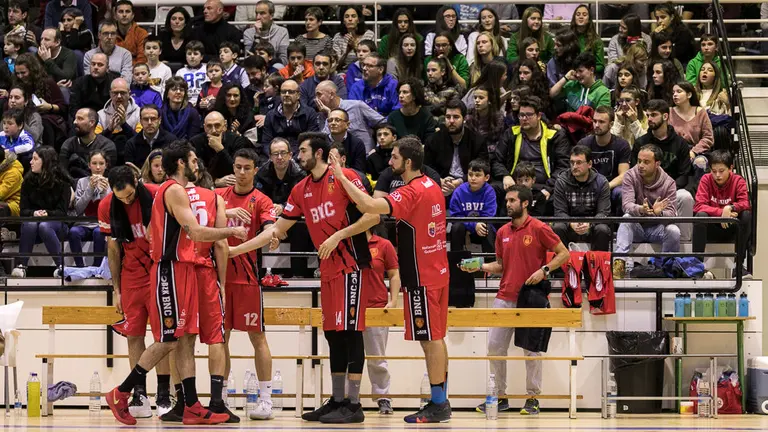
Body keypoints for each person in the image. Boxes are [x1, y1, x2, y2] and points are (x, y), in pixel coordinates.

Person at [230, 132, 380, 424]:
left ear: (320, 153)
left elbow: (373, 216)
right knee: (333, 334)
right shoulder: (300, 189)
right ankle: (337, 400)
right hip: (327, 271)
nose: (299, 155)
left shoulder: (345, 177)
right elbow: (277, 230)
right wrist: (237, 249)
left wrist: (338, 235)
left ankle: (354, 404)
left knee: (350, 333)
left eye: (303, 150)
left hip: (350, 266)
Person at [105, 140, 247, 426]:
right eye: (193, 160)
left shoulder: (166, 191)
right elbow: (194, 231)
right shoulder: (174, 190)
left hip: (179, 269)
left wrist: (225, 212)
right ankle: (121, 392)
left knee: (184, 338)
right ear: (181, 163)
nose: (197, 165)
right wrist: (231, 230)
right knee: (169, 339)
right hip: (169, 269)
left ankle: (192, 404)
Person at [329, 136, 451, 423]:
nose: (390, 161)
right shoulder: (431, 185)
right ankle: (440, 400)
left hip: (421, 275)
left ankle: (438, 404)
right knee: (437, 338)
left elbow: (369, 206)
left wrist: (340, 177)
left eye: (394, 157)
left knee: (430, 340)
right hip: (438, 271)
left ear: (408, 162)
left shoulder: (410, 192)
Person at [462, 184, 569, 415]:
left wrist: (545, 270)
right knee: (494, 347)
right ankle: (500, 397)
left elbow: (564, 253)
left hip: (531, 298)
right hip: (504, 297)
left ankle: (533, 398)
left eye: (512, 201)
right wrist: (480, 266)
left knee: (531, 351)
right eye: (507, 201)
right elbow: (501, 266)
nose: (508, 204)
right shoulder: (502, 232)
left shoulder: (540, 228)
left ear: (525, 203)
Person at [97, 165, 173, 419]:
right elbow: (113, 250)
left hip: (159, 271)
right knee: (134, 335)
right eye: (121, 198)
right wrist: (116, 288)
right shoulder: (107, 206)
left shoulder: (157, 195)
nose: (127, 201)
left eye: (130, 195)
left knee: (163, 335)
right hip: (131, 276)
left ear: (137, 181)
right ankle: (139, 393)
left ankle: (164, 393)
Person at [215, 148, 276, 420]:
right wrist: (228, 212)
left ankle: (265, 399)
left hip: (248, 279)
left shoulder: (261, 200)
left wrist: (236, 251)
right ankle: (221, 397)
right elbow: (199, 220)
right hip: (219, 279)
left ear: (255, 169)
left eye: (246, 168)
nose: (241, 173)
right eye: (237, 167)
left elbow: (270, 233)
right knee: (220, 339)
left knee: (258, 337)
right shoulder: (219, 198)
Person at [613, 144, 680, 279]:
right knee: (626, 218)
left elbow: (672, 213)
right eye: (639, 161)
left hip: (657, 229)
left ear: (657, 163)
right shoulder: (630, 176)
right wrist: (641, 209)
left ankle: (664, 268)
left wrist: (659, 213)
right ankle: (618, 267)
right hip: (637, 227)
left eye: (646, 162)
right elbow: (626, 205)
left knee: (674, 230)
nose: (641, 165)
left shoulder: (669, 183)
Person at [254, 137, 313, 278]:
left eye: (283, 153)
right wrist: (273, 213)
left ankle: (300, 273)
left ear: (290, 155)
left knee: (301, 227)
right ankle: (260, 275)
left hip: (294, 216)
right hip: (270, 216)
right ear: (270, 157)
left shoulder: (301, 173)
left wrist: (283, 207)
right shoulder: (262, 173)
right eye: (275, 154)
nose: (279, 157)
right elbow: (259, 199)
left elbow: (302, 201)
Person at [492, 96, 570, 200]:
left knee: (559, 195)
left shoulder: (555, 136)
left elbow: (563, 166)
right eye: (521, 115)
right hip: (515, 184)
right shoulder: (511, 134)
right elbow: (497, 160)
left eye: (529, 115)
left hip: (544, 185)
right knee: (492, 188)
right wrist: (505, 175)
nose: (524, 119)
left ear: (538, 116)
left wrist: (549, 187)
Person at [10, 146, 71, 278]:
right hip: (33, 229)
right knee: (31, 223)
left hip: (57, 227)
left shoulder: (62, 182)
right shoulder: (28, 181)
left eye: (35, 159)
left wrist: (47, 214)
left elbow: (62, 213)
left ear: (46, 162)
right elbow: (23, 211)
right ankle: (22, 266)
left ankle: (61, 267)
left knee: (44, 225)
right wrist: (34, 213)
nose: (31, 162)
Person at [693, 150, 752, 278]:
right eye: (714, 171)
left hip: (731, 228)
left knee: (746, 215)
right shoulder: (705, 179)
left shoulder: (738, 180)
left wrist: (730, 207)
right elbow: (698, 206)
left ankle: (738, 267)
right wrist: (722, 213)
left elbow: (745, 204)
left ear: (731, 168)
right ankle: (697, 267)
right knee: (700, 216)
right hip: (711, 229)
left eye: (721, 171)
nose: (717, 175)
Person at [361, 227, 399, 414]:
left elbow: (394, 274)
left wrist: (392, 301)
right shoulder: (344, 243)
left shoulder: (384, 245)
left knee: (377, 357)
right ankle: (345, 398)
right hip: (351, 308)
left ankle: (383, 396)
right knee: (347, 359)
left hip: (376, 307)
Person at [424, 99, 489, 197]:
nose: (451, 121)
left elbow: (482, 168)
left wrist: (460, 181)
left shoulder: (477, 141)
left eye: (456, 117)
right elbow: (427, 167)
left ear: (464, 118)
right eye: (448, 117)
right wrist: (440, 180)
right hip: (441, 183)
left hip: (468, 183)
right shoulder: (433, 140)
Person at [552, 145, 612, 251]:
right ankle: (561, 266)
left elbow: (603, 212)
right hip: (569, 226)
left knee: (602, 229)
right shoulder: (561, 181)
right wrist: (571, 223)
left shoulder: (601, 182)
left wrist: (589, 223)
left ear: (589, 164)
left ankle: (599, 266)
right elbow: (560, 212)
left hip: (592, 226)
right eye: (572, 162)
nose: (574, 166)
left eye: (579, 162)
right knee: (558, 227)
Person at [579, 106, 631, 213]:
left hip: (612, 187)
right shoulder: (584, 144)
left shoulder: (621, 145)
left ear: (611, 124)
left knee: (622, 192)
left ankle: (620, 228)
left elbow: (624, 175)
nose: (597, 125)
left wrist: (606, 186)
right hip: (589, 187)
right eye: (595, 121)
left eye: (601, 122)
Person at [315, 80, 385, 153]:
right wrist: (329, 114)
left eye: (319, 95)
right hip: (339, 158)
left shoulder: (356, 106)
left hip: (365, 155)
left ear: (332, 95)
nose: (316, 99)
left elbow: (383, 122)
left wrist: (377, 147)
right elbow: (324, 140)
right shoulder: (321, 115)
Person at [69, 149, 109, 268]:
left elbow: (109, 210)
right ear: (89, 165)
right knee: (73, 232)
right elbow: (78, 208)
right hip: (83, 224)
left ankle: (96, 268)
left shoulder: (110, 182)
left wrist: (104, 192)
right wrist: (90, 189)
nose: (97, 167)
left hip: (101, 224)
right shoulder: (82, 182)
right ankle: (80, 267)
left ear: (106, 165)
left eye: (101, 164)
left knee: (99, 233)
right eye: (94, 163)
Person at [448, 158, 497, 253]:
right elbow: (455, 216)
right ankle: (456, 263)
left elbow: (489, 215)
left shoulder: (490, 192)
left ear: (486, 178)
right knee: (456, 227)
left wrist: (478, 225)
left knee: (488, 228)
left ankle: (490, 263)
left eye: (477, 175)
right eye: (470, 175)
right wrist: (474, 225)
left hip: (482, 227)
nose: (473, 178)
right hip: (464, 226)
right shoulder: (459, 191)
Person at [190, 111, 252, 184]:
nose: (213, 130)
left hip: (233, 184)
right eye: (209, 126)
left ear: (225, 126)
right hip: (206, 186)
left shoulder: (237, 140)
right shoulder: (195, 142)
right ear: (204, 127)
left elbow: (237, 170)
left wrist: (220, 149)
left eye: (217, 125)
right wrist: (215, 181)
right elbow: (195, 172)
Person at [261, 80, 319, 155]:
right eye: (283, 92)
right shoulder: (271, 115)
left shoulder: (309, 113)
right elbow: (266, 142)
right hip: (276, 156)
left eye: (290, 92)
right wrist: (274, 156)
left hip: (301, 156)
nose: (286, 95)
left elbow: (311, 141)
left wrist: (293, 158)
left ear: (298, 95)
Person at [60, 108, 117, 179]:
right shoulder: (68, 144)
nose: (75, 122)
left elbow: (106, 176)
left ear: (92, 123)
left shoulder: (107, 146)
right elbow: (63, 173)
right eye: (75, 118)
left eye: (80, 119)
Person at [96, 78, 140, 163]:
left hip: (132, 156)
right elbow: (96, 143)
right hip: (107, 158)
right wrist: (109, 129)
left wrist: (124, 124)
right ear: (110, 94)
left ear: (129, 93)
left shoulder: (139, 113)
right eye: (115, 93)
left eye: (123, 93)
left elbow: (140, 141)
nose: (119, 96)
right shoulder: (101, 115)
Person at [670, 81, 714, 162]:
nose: (675, 95)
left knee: (700, 162)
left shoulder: (700, 112)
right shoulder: (669, 112)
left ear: (689, 95)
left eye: (679, 92)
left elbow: (708, 137)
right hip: (674, 151)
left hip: (697, 151)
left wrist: (694, 152)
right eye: (673, 92)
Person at [69, 52, 117, 122]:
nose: (96, 67)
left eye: (100, 65)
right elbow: (74, 108)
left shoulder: (114, 83)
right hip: (84, 120)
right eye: (93, 64)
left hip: (107, 119)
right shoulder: (79, 83)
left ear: (107, 68)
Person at [387, 79, 437, 144]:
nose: (400, 96)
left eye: (405, 92)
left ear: (414, 96)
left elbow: (429, 143)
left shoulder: (426, 116)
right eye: (399, 92)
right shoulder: (393, 117)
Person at [332, 7, 375, 72]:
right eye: (346, 17)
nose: (350, 19)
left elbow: (371, 61)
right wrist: (346, 52)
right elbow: (336, 66)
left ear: (358, 20)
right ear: (343, 21)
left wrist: (355, 47)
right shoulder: (338, 37)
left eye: (353, 16)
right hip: (343, 73)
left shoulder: (369, 35)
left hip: (364, 71)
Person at [326, 108, 366, 173]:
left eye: (337, 120)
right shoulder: (321, 142)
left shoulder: (357, 143)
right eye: (330, 120)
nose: (333, 123)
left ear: (347, 125)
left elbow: (360, 171)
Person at [424, 57, 464, 121]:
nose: (430, 73)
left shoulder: (452, 90)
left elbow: (451, 111)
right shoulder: (423, 90)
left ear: (442, 72)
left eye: (434, 70)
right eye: (428, 70)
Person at [570, 4, 605, 74]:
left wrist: (586, 70)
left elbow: (600, 65)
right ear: (574, 18)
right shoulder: (568, 37)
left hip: (588, 75)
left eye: (584, 14)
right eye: (578, 14)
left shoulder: (596, 40)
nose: (581, 17)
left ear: (589, 19)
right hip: (570, 73)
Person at [113, 0, 147, 65]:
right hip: (113, 70)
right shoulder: (108, 33)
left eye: (127, 11)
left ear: (133, 15)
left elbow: (142, 59)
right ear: (115, 16)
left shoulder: (141, 33)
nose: (124, 15)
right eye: (121, 11)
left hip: (136, 71)